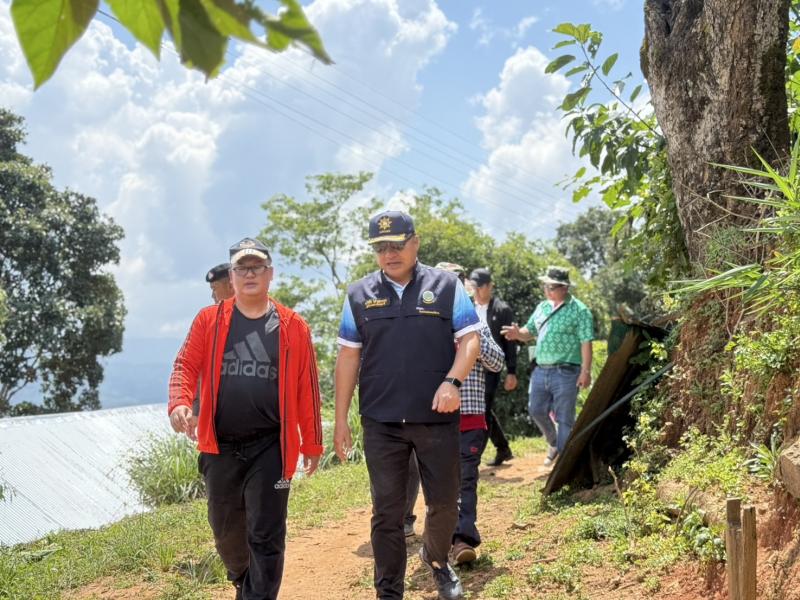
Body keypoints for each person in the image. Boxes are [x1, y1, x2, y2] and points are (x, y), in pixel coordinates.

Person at [334, 211, 480, 600]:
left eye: (397, 245)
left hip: (436, 418)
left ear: (415, 243)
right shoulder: (358, 294)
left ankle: (437, 559)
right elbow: (348, 357)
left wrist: (452, 382)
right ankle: (388, 591)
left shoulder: (446, 286)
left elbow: (470, 340)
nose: (390, 253)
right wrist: (340, 419)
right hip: (381, 422)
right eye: (381, 247)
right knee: (387, 512)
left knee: (444, 504)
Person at [168, 238, 324, 600]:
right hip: (219, 444)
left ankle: (256, 594)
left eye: (257, 268)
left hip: (272, 445)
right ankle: (243, 581)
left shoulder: (293, 326)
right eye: (242, 268)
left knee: (267, 533)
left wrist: (312, 442)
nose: (250, 274)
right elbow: (185, 365)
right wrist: (179, 402)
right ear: (233, 276)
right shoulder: (209, 320)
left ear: (270, 274)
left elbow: (307, 388)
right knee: (225, 531)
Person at [406, 265, 505, 566]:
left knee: (465, 481)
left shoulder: (476, 321)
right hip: (430, 421)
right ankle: (439, 543)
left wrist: (471, 337)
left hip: (469, 418)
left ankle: (462, 540)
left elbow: (497, 363)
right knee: (436, 485)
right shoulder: (420, 322)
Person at [501, 266, 593, 467]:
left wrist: (586, 371)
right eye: (545, 286)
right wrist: (517, 334)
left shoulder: (580, 310)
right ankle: (554, 443)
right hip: (540, 370)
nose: (546, 290)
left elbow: (586, 342)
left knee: (564, 418)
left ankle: (564, 467)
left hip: (567, 371)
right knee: (536, 409)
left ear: (564, 288)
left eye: (551, 287)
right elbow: (529, 331)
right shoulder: (542, 307)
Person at [468, 268, 517, 467]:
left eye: (480, 287)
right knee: (484, 409)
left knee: (483, 409)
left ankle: (474, 456)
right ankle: (503, 448)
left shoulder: (502, 310)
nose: (477, 291)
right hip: (469, 370)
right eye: (474, 287)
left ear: (490, 286)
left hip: (490, 369)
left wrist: (511, 371)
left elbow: (510, 342)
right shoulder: (467, 306)